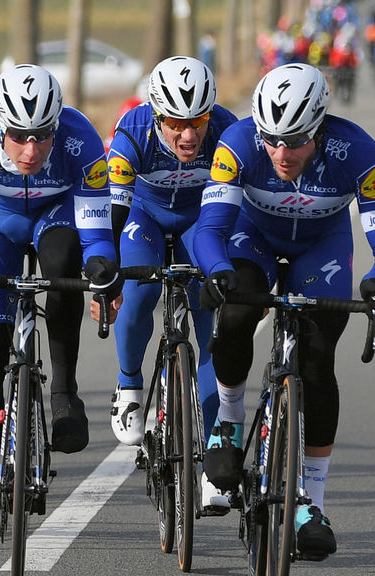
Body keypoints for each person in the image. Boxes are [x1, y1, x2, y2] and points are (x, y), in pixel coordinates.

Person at [194, 63, 375, 558]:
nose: (281, 154)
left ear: (320, 127)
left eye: (295, 141)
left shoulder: (357, 152)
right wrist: (216, 269)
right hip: (255, 236)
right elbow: (209, 229)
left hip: (322, 246)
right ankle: (226, 419)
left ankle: (312, 500)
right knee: (237, 315)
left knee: (317, 362)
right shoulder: (240, 144)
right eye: (272, 140)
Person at [0, 64, 122, 563]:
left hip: (54, 217)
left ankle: (64, 392)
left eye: (42, 136)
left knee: (65, 263)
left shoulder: (80, 139)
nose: (31, 151)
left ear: (57, 126)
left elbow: (97, 230)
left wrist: (103, 259)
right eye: (18, 137)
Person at [103, 55, 238, 514]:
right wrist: (108, 275)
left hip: (201, 220)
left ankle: (213, 466)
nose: (188, 135)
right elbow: (113, 211)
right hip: (143, 216)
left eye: (197, 121)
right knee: (139, 293)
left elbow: (247, 208)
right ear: (156, 115)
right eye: (176, 123)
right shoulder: (131, 132)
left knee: (212, 321)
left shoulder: (227, 131)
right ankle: (128, 387)